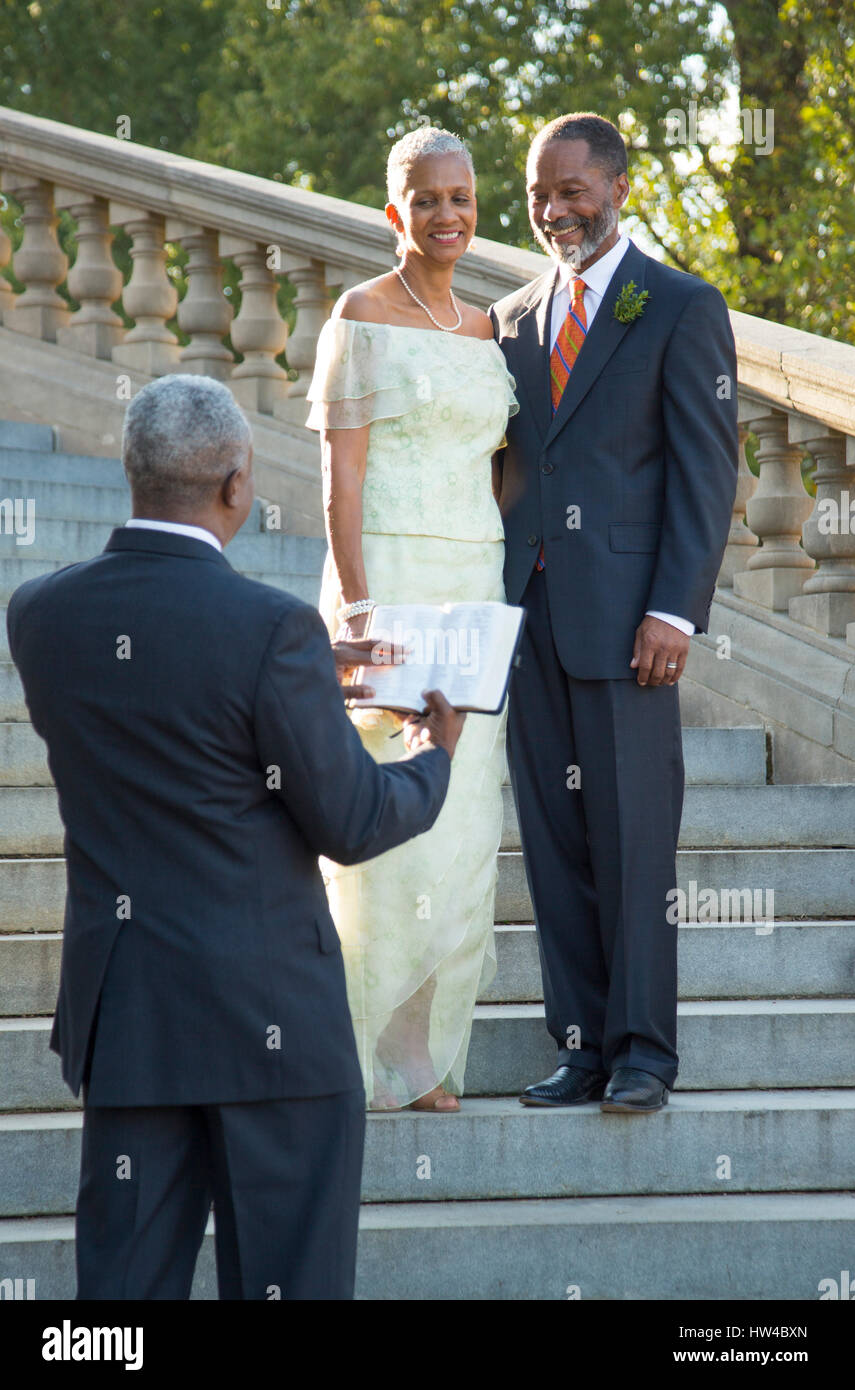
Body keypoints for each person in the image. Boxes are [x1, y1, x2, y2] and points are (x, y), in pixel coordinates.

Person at [6, 373, 466, 1300]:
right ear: (236, 485)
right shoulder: (272, 628)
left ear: (132, 472)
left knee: (119, 1307)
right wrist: (434, 756)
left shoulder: (40, 614)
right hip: (274, 1030)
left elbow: (168, 701)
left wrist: (296, 681)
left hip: (130, 1021)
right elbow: (353, 819)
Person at [489, 113, 738, 1113]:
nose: (553, 210)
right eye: (538, 195)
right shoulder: (508, 319)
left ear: (619, 188)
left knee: (632, 842)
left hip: (630, 622)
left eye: (571, 191)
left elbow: (705, 470)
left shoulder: (678, 306)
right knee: (554, 840)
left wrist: (673, 613)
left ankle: (642, 1053)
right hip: (528, 621)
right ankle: (582, 1044)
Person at [306, 127, 519, 1113]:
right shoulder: (357, 317)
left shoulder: (487, 331)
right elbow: (337, 484)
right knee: (384, 813)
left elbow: (499, 471)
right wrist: (356, 610)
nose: (445, 216)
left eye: (461, 198)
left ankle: (424, 1053)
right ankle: (362, 1045)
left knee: (463, 824)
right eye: (425, 199)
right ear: (393, 208)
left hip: (473, 585)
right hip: (387, 581)